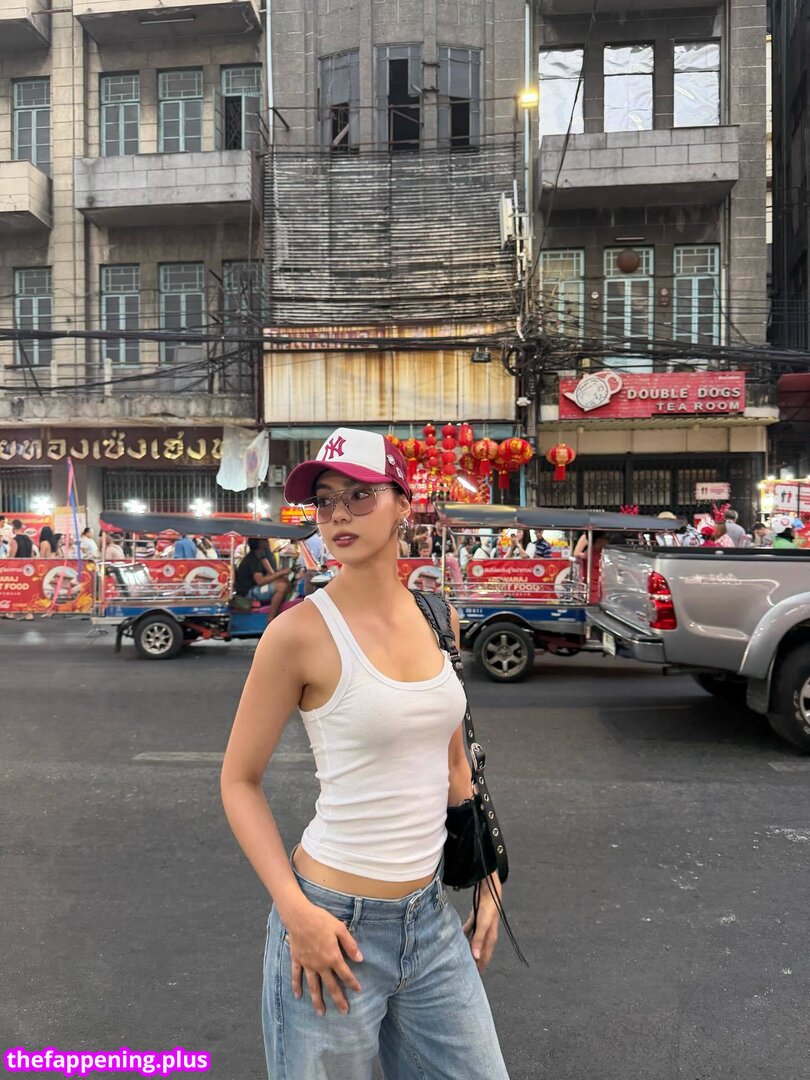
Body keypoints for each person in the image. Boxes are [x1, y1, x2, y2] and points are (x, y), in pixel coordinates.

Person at [221, 429, 509, 1080]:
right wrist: (296, 912)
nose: (338, 514)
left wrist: (490, 873)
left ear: (404, 503)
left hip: (430, 925)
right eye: (325, 501)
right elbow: (239, 781)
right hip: (331, 928)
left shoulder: (438, 617)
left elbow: (455, 767)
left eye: (359, 495)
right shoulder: (297, 634)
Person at [233, 537, 291, 622]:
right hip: (248, 592)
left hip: (255, 587)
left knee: (284, 581)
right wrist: (280, 573)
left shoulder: (260, 556)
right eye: (264, 539)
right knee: (282, 586)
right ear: (259, 543)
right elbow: (260, 581)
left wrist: (281, 575)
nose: (267, 541)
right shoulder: (253, 558)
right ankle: (271, 618)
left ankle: (281, 610)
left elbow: (271, 573)